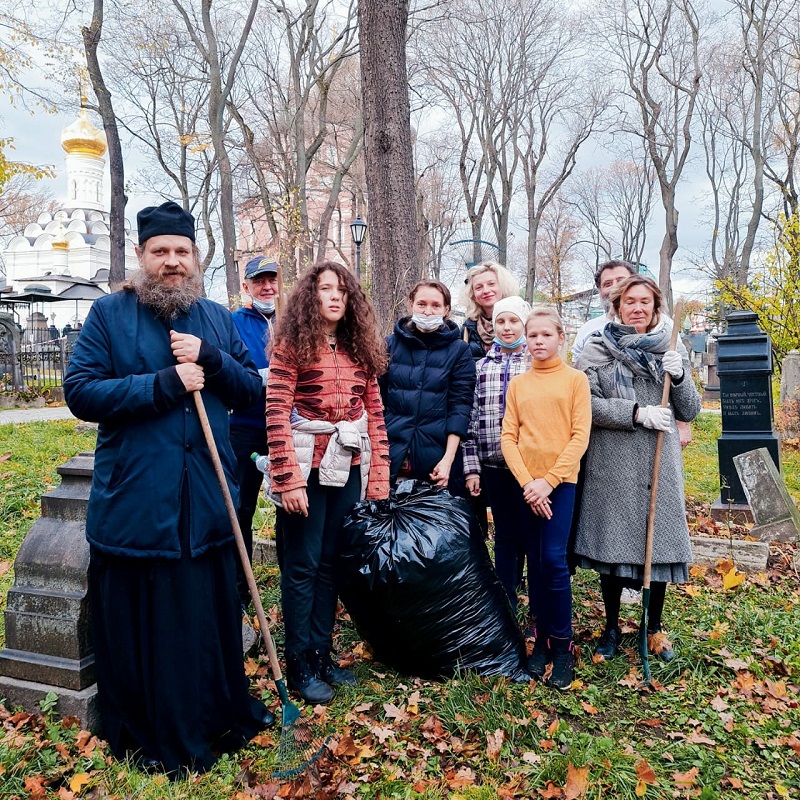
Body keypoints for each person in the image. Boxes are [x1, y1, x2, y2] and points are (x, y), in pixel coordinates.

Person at [63, 201, 272, 775]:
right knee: (147, 617)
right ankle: (150, 731)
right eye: (161, 252)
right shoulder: (109, 315)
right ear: (141, 256)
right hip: (139, 497)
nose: (172, 261)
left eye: (182, 251)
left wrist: (208, 359)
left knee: (204, 611)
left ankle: (215, 714)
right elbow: (81, 392)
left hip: (205, 497)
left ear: (196, 258)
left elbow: (248, 389)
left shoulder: (214, 318)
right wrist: (165, 382)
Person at [266, 260, 390, 705]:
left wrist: (378, 479)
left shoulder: (361, 348)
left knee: (332, 564)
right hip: (307, 466)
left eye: (342, 290)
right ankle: (299, 661)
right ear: (309, 296)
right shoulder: (291, 344)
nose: (334, 297)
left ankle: (321, 654)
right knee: (302, 564)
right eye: (324, 289)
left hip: (349, 466)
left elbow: (375, 416)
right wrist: (288, 478)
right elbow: (276, 413)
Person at [574, 274, 701, 663]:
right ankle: (611, 627)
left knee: (656, 544)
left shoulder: (670, 348)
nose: (638, 308)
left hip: (656, 461)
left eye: (645, 301)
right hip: (611, 459)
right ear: (617, 306)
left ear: (655, 306)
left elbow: (691, 409)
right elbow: (586, 406)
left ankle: (653, 627)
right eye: (630, 301)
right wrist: (636, 413)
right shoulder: (596, 350)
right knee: (612, 546)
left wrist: (678, 377)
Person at [500, 307, 591, 690]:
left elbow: (579, 436)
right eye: (532, 335)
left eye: (545, 335)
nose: (538, 341)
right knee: (534, 562)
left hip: (560, 485)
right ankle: (541, 639)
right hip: (525, 486)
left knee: (553, 560)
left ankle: (563, 644)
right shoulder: (519, 385)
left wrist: (548, 482)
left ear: (559, 337)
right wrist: (528, 483)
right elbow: (508, 437)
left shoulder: (575, 380)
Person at [463, 295, 532, 609]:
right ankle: (506, 597)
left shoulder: (535, 364)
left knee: (530, 531)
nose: (506, 327)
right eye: (500, 321)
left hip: (532, 467)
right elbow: (471, 420)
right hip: (493, 464)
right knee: (504, 532)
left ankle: (535, 596)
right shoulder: (481, 368)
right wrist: (472, 467)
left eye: (513, 321)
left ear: (524, 324)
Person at [380, 279, 475, 496]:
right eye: (421, 304)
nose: (428, 311)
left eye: (436, 305)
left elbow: (460, 408)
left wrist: (448, 460)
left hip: (437, 458)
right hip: (392, 454)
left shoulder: (459, 351)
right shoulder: (390, 345)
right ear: (411, 305)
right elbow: (378, 401)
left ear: (446, 310)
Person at [230, 256, 279, 606]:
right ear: (247, 286)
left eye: (272, 279)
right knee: (241, 507)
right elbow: (228, 368)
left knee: (292, 506)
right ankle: (240, 588)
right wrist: (260, 377)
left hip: (288, 428)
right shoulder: (234, 322)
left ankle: (294, 581)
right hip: (245, 427)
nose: (267, 286)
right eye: (259, 280)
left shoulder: (292, 320)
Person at [460, 261, 520, 359]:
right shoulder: (468, 329)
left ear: (503, 286)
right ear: (473, 294)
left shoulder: (521, 322)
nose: (486, 291)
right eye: (479, 287)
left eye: (491, 284)